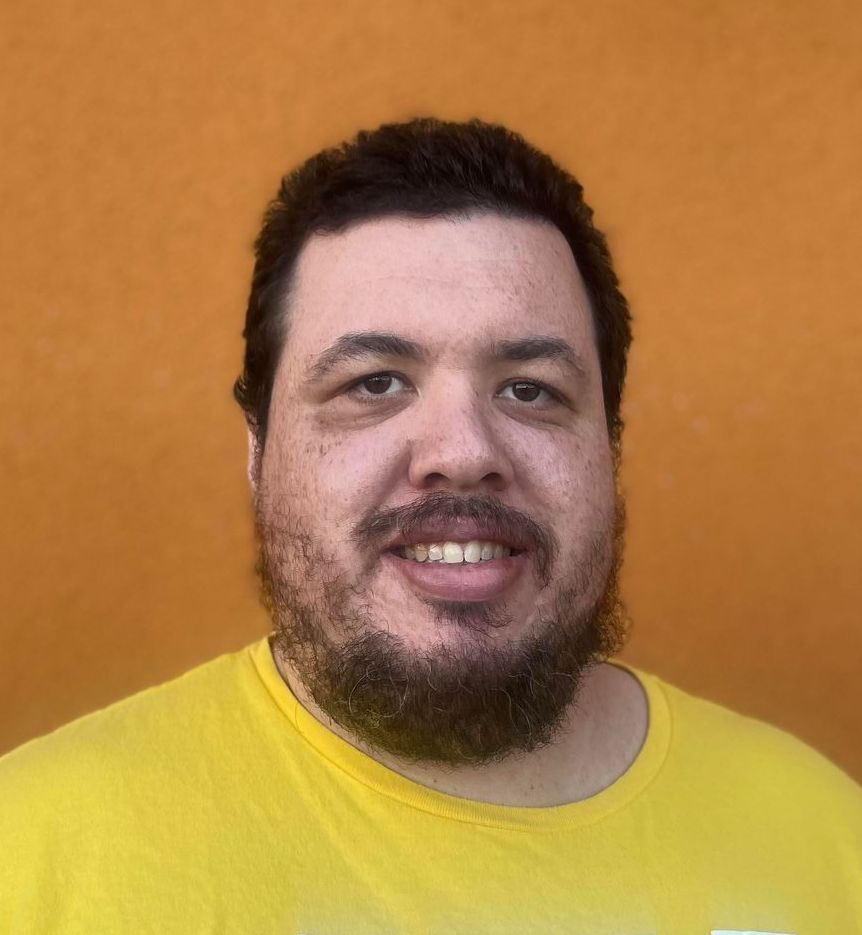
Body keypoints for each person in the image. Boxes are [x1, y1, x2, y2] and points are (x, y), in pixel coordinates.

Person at [1, 117, 860, 934]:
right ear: (259, 450)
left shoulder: (828, 845)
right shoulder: (35, 859)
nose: (460, 451)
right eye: (374, 382)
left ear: (610, 448)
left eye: (530, 388)